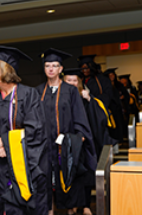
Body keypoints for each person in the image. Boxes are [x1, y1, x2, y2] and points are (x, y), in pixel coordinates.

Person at [0, 44, 48, 215]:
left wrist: (4, 142)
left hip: (25, 169)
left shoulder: (28, 95)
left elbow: (36, 129)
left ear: (5, 70)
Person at [36, 49, 96, 215]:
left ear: (60, 69)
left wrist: (79, 136)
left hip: (66, 145)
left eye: (55, 66)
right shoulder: (38, 91)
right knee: (46, 180)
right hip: (45, 146)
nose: (51, 69)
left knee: (69, 179)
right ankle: (49, 210)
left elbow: (79, 114)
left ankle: (71, 210)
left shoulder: (70, 91)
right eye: (47, 65)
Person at [104, 68, 130, 141]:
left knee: (120, 124)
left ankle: (120, 139)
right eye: (110, 75)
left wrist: (123, 97)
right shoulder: (106, 85)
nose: (112, 76)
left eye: (113, 75)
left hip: (119, 108)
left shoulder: (118, 85)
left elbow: (126, 94)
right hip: (111, 108)